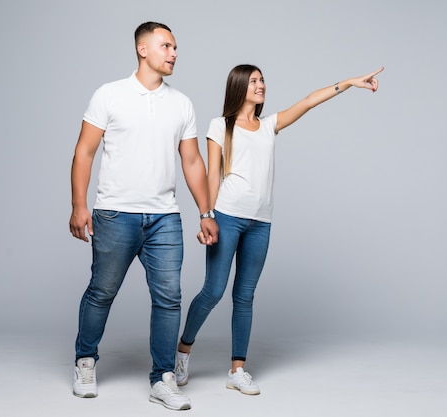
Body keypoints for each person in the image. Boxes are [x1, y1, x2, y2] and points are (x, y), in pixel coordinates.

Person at [174, 64, 384, 395]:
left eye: (262, 80)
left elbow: (309, 101)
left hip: (261, 222)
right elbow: (212, 174)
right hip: (227, 216)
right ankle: (183, 351)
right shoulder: (221, 126)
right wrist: (207, 215)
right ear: (240, 86)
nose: (261, 85)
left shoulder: (269, 124)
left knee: (245, 296)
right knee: (214, 290)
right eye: (254, 81)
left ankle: (237, 370)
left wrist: (349, 83)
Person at [68, 21, 218, 411]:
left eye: (175, 47)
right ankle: (85, 361)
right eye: (166, 45)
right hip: (115, 214)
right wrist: (79, 205)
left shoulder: (181, 103)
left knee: (169, 299)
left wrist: (206, 211)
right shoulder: (110, 95)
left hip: (164, 217)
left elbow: (191, 160)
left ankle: (163, 378)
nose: (174, 53)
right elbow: (85, 151)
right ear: (142, 49)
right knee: (102, 292)